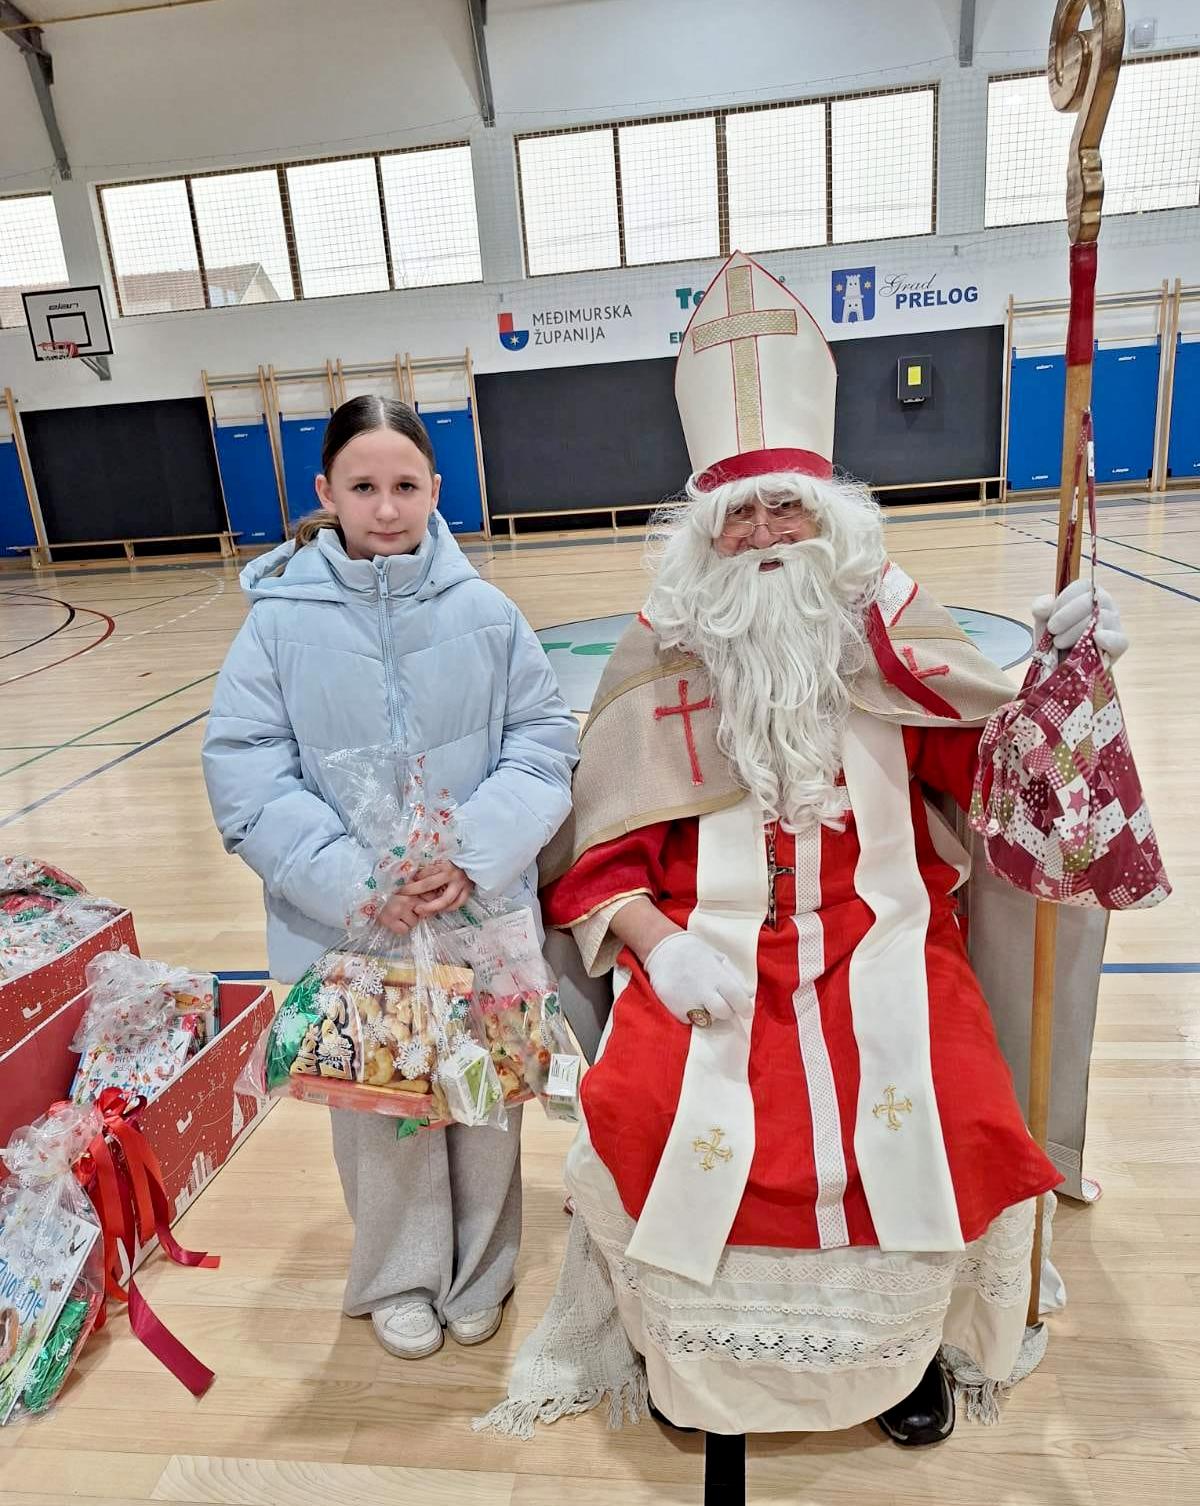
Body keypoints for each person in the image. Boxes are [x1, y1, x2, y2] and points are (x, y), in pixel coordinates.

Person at [480, 252, 1126, 1445]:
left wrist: (1062, 681)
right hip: (709, 953)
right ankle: (693, 1363)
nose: (768, 534)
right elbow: (597, 844)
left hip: (888, 938)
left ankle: (916, 1347)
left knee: (957, 1099)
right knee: (648, 1100)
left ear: (831, 520)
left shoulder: (894, 632)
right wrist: (655, 946)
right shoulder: (660, 652)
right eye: (742, 515)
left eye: (790, 508)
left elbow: (1002, 781)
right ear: (705, 536)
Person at [202, 395, 578, 1361]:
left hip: (477, 909)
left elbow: (541, 744)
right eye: (362, 487)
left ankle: (480, 1272)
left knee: (485, 1098)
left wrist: (474, 852)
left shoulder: (487, 613)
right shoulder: (277, 625)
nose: (384, 508)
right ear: (325, 492)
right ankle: (401, 1275)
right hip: (355, 925)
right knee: (384, 1103)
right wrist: (352, 880)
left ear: (435, 490)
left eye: (404, 485)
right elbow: (245, 768)